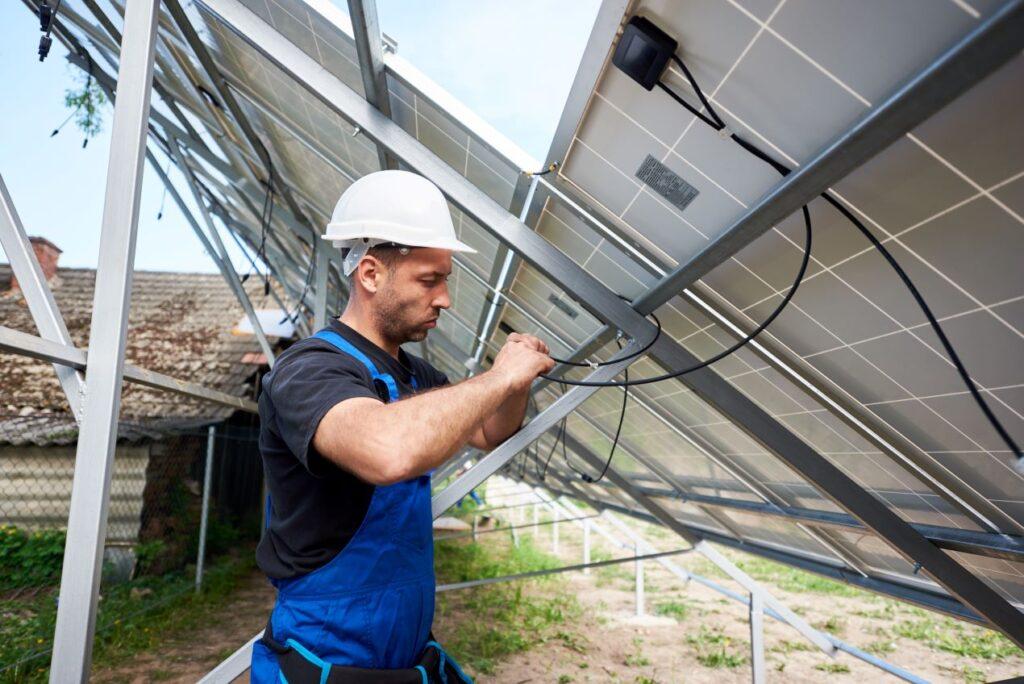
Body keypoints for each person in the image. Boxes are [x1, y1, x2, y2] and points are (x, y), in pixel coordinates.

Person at [250, 170, 554, 683]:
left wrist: (514, 381)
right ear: (370, 274)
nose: (445, 299)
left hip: (404, 652)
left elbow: (489, 432)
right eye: (429, 280)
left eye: (445, 281)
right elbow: (386, 450)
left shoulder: (414, 375)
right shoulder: (309, 369)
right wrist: (496, 378)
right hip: (328, 655)